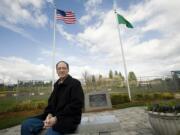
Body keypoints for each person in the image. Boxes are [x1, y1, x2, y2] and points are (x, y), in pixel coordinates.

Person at [21, 61, 84, 135]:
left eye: (64, 68)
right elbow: (51, 103)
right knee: (27, 124)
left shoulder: (75, 83)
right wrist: (49, 114)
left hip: (68, 118)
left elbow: (77, 104)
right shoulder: (56, 85)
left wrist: (57, 118)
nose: (61, 70)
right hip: (53, 117)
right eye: (59, 68)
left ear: (68, 70)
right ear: (57, 71)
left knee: (51, 133)